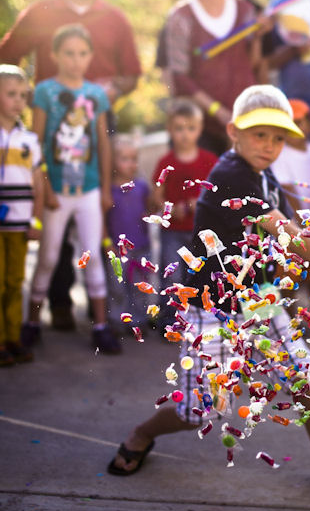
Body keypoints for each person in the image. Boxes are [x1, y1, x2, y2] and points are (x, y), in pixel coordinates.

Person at [107, 84, 310, 499]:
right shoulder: (231, 175)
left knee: (307, 378)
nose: (269, 145)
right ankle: (141, 434)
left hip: (259, 301)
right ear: (233, 131)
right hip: (213, 307)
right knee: (202, 411)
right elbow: (291, 236)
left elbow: (286, 229)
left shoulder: (262, 172)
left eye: (279, 137)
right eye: (259, 135)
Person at [0, 0, 142, 331]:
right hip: (52, 125)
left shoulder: (114, 19)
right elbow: (6, 58)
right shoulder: (41, 13)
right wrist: (29, 95)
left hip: (98, 123)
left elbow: (132, 73)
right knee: (53, 216)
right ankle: (58, 302)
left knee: (96, 215)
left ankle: (109, 307)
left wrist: (112, 89)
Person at [21, 24, 121, 354]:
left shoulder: (96, 95)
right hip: (56, 191)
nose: (76, 60)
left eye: (82, 54)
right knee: (48, 257)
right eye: (68, 53)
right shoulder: (44, 92)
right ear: (54, 55)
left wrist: (105, 189)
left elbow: (103, 145)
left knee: (91, 256)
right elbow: (36, 144)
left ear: (91, 56)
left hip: (89, 189)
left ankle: (101, 326)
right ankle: (31, 323)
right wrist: (44, 188)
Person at [164, 0, 264, 154]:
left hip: (243, 122)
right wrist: (219, 112)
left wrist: (257, 37)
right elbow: (179, 77)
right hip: (200, 128)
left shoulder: (246, 10)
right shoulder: (181, 17)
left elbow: (253, 64)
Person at [150, 99, 217, 325]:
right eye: (179, 128)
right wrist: (170, 209)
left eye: (190, 128)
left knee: (201, 274)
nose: (185, 134)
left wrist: (198, 203)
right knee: (172, 275)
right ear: (169, 129)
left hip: (202, 233)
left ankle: (200, 319)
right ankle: (170, 320)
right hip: (173, 232)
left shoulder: (209, 161)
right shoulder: (165, 162)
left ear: (199, 129)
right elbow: (156, 196)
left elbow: (216, 193)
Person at [0, 65, 43, 365]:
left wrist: (36, 220)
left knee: (15, 281)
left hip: (19, 222)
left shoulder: (29, 140)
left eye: (22, 95)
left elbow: (38, 184)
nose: (18, 101)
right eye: (10, 94)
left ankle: (13, 337)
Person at [104, 135, 153, 328]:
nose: (131, 164)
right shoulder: (108, 190)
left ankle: (139, 320)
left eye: (134, 159)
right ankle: (116, 320)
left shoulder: (141, 187)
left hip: (141, 246)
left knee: (140, 285)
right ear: (112, 162)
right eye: (124, 159)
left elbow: (149, 209)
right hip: (117, 249)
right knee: (117, 286)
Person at [271, 98, 310, 211]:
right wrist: (306, 226)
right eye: (286, 125)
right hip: (303, 223)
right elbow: (290, 197)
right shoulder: (279, 156)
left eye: (297, 123)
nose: (292, 129)